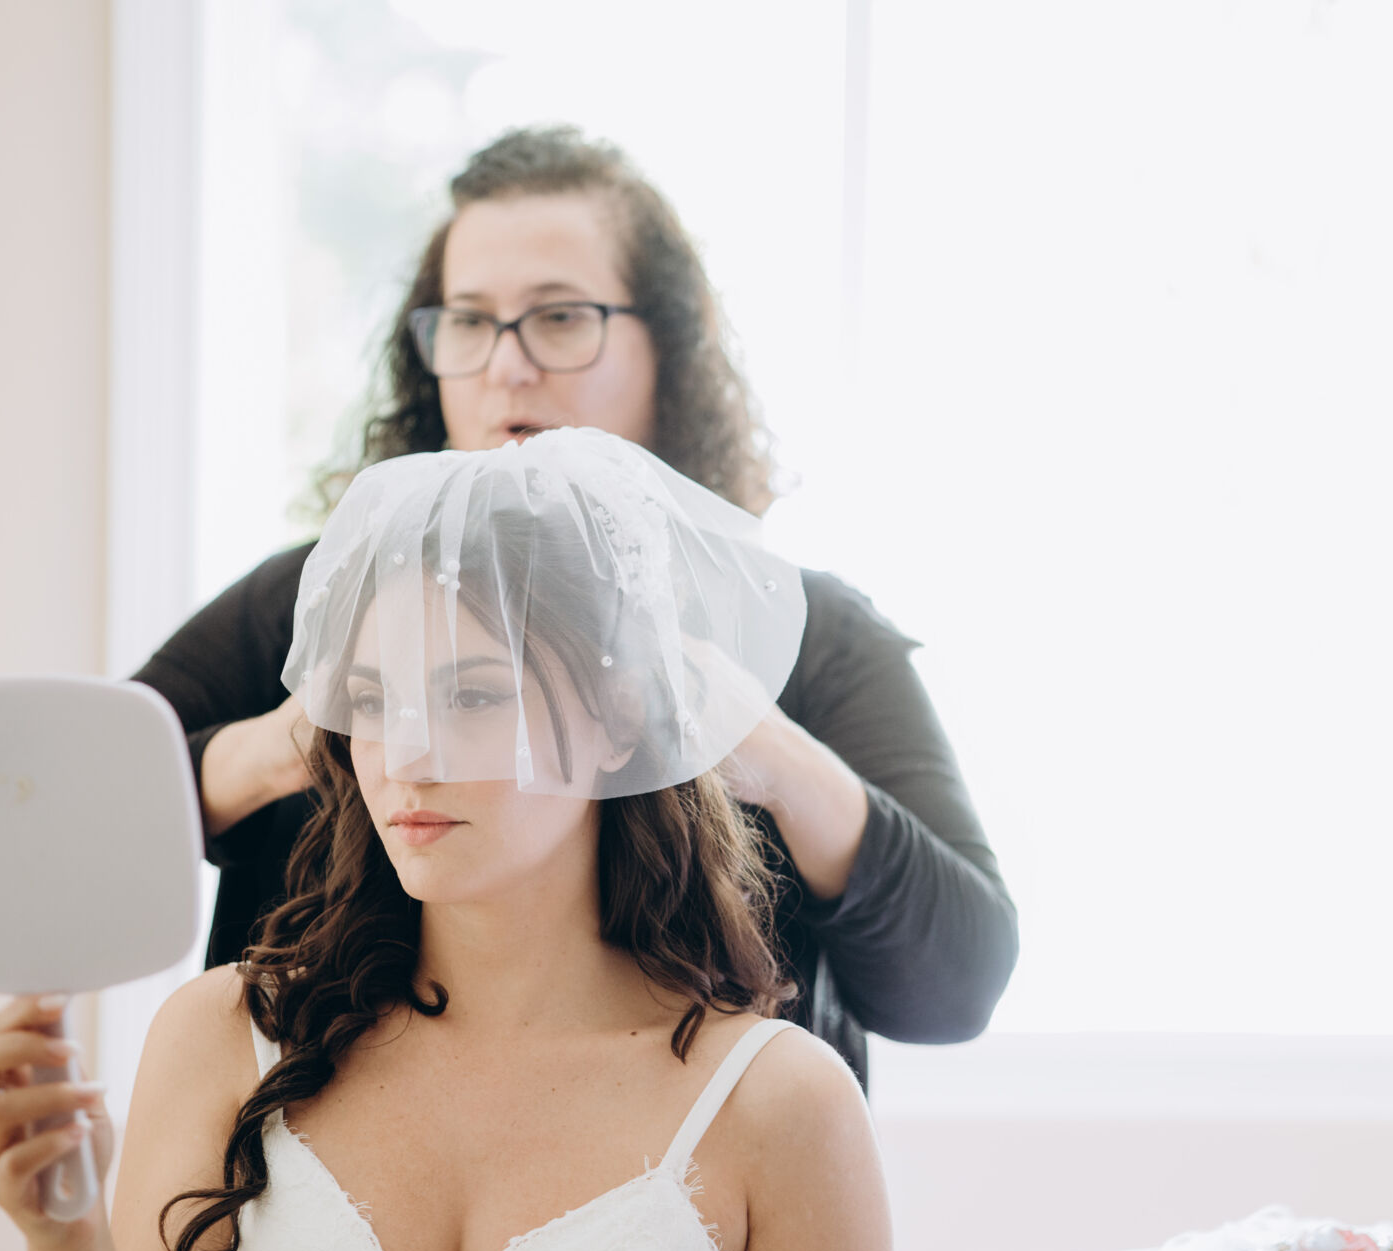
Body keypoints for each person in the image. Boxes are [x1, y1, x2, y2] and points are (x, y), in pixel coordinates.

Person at [135, 125, 1018, 1085]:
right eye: (468, 321)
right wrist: (290, 743)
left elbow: (957, 988)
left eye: (559, 318)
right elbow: (61, 829)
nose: (506, 366)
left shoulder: (816, 637)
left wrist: (767, 753)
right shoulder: (308, 601)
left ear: (667, 348)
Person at [0, 429, 893, 1251]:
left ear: (618, 724)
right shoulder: (221, 1039)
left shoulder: (780, 1107)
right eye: (373, 701)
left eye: (472, 697)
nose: (405, 757)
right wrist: (64, 1242)